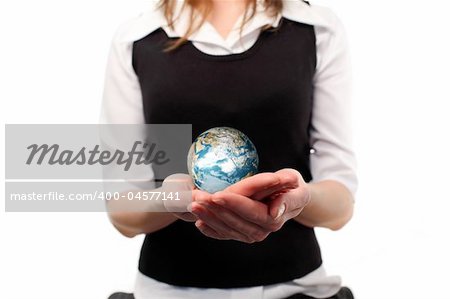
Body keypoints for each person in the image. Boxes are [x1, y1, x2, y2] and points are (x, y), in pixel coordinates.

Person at [101, 0, 357, 298]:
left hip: (295, 288)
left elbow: (340, 205)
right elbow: (122, 211)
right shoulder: (137, 40)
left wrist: (298, 198)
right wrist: (172, 199)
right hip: (168, 290)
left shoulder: (315, 29)